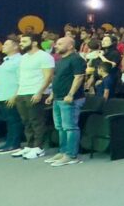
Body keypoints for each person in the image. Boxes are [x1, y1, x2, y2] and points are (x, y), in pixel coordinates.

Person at [45, 36, 86, 166]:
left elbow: (78, 77)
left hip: (70, 99)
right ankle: (63, 152)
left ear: (70, 46)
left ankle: (71, 155)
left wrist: (70, 94)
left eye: (60, 44)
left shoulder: (76, 59)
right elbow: (57, 78)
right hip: (58, 98)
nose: (56, 46)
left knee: (70, 127)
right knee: (60, 127)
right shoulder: (61, 60)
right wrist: (52, 94)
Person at [12, 33, 55, 160]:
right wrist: (17, 92)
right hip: (22, 91)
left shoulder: (44, 56)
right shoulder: (23, 57)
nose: (21, 43)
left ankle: (38, 147)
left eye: (24, 41)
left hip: (36, 91)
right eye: (21, 41)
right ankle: (29, 146)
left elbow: (48, 77)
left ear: (34, 43)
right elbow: (20, 76)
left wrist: (40, 92)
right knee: (26, 121)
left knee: (37, 121)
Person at [0, 37, 24, 154]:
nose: (3, 46)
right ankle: (8, 142)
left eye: (6, 44)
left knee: (14, 120)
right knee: (8, 120)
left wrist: (15, 95)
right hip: (2, 94)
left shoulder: (20, 60)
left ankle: (15, 144)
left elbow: (21, 78)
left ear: (15, 46)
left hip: (11, 94)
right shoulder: (6, 60)